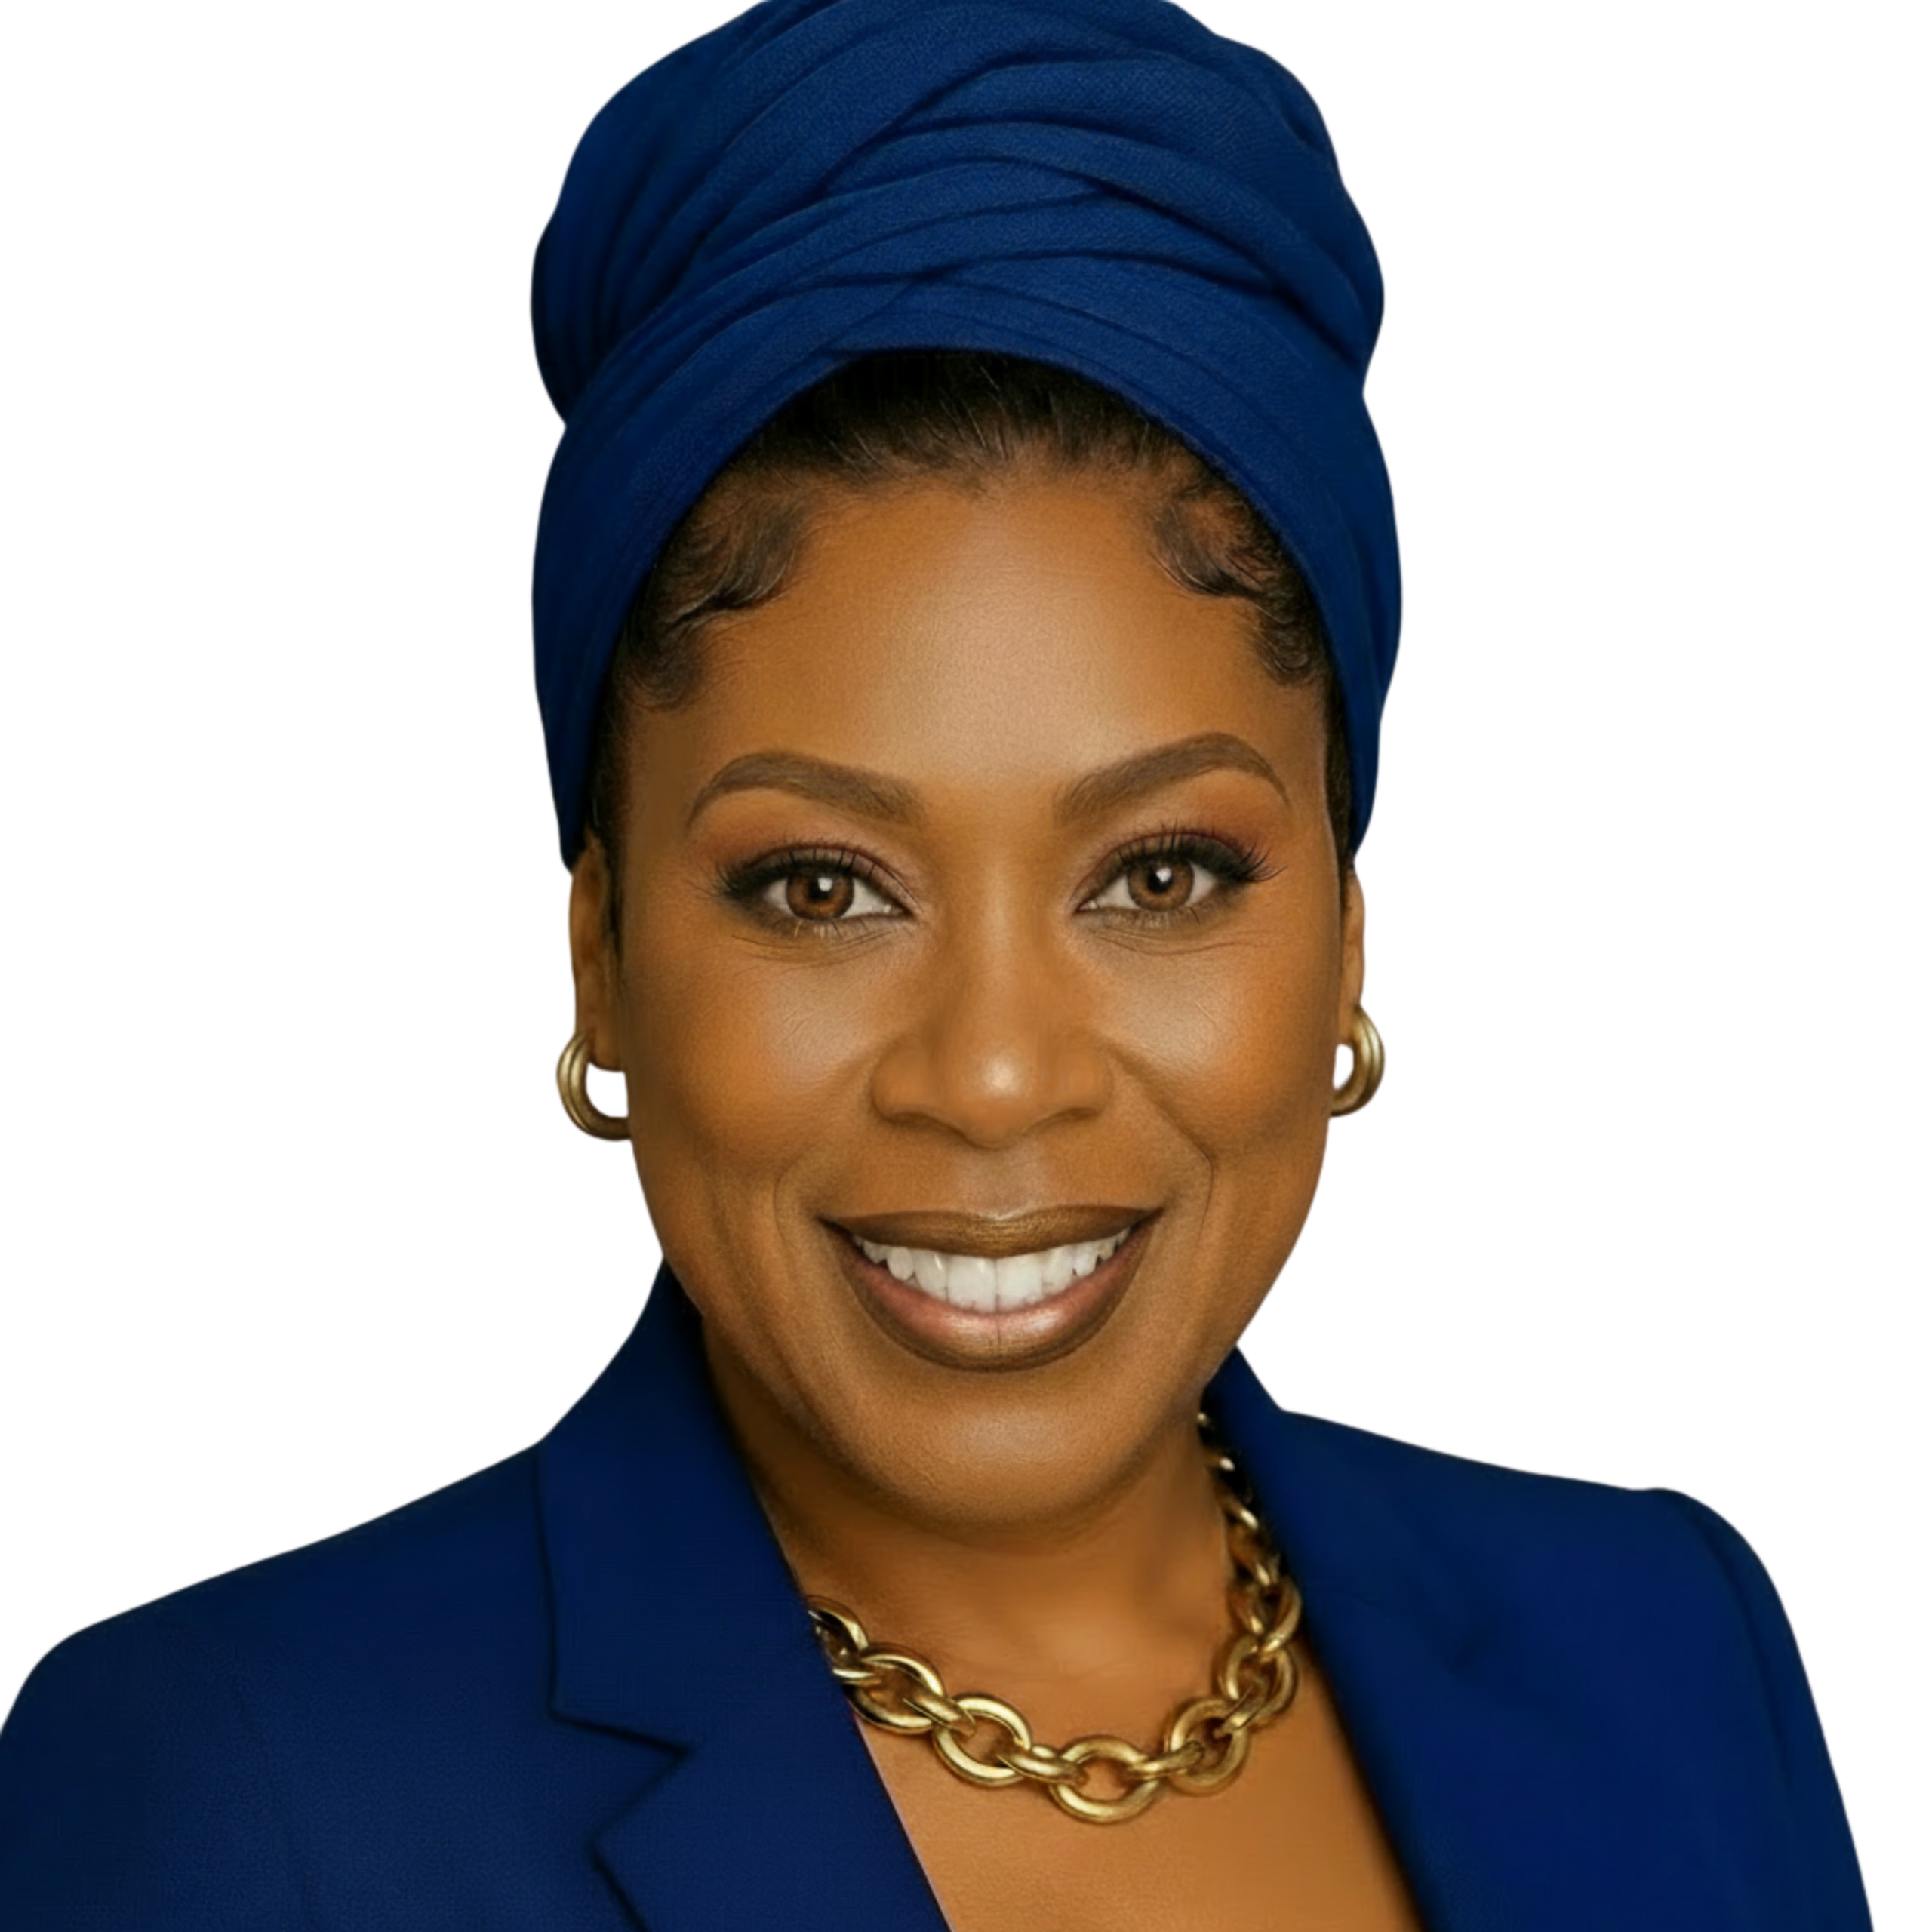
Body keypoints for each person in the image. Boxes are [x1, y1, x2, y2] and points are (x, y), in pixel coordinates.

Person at [0, 1, 1876, 1927]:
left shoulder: (1670, 1652)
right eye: (822, 887)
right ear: (603, 957)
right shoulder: (236, 1791)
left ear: (1342, 940)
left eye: (1157, 873)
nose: (991, 1072)